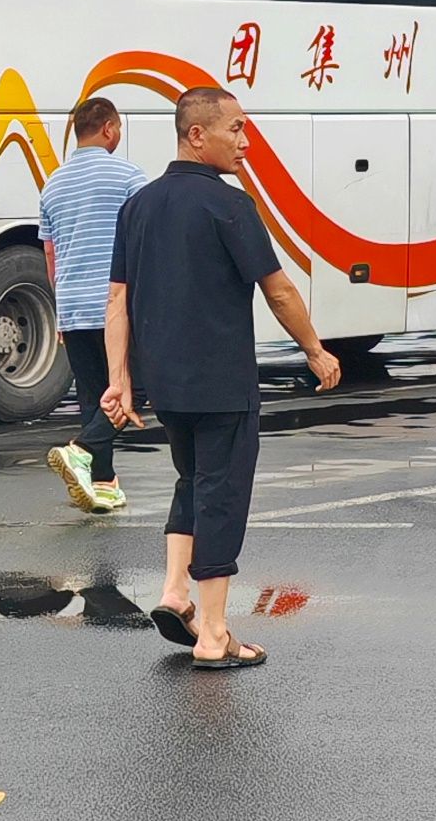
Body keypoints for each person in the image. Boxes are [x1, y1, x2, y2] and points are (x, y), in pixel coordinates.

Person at [102, 86, 341, 666]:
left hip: (167, 385)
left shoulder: (138, 206)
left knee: (193, 481)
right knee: (223, 494)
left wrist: (119, 380)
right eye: (235, 129)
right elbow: (278, 288)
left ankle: (175, 592)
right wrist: (314, 350)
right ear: (197, 135)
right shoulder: (230, 205)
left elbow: (117, 300)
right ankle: (212, 636)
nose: (246, 141)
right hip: (222, 381)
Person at [37, 95, 145, 514]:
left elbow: (51, 254)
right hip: (115, 302)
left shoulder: (53, 183)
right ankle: (82, 449)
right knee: (134, 386)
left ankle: (103, 482)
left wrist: (61, 308)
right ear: (109, 129)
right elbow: (144, 238)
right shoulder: (128, 176)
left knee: (93, 394)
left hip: (72, 302)